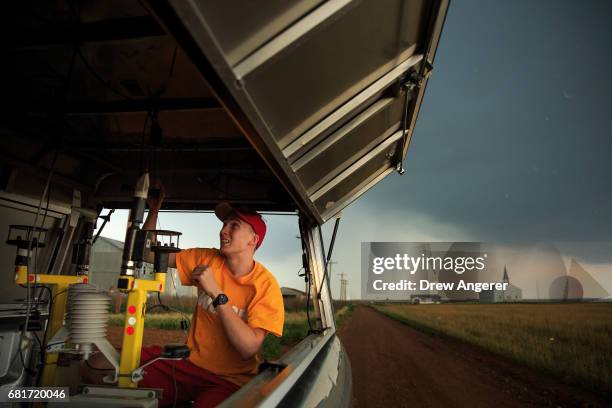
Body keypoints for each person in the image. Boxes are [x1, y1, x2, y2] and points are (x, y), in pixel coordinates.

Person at [82, 188, 285, 408]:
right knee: (96, 367)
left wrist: (216, 293)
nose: (223, 230)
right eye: (224, 224)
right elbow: (148, 253)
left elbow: (248, 348)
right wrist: (154, 210)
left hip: (229, 380)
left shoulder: (265, 286)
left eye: (233, 225)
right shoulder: (206, 258)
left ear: (253, 240)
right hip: (187, 363)